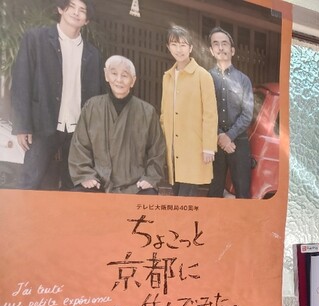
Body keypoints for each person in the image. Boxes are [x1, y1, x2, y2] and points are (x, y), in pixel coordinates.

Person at [10, 0, 103, 191]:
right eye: (71, 6)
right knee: (31, 181)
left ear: (87, 20)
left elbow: (98, 96)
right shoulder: (36, 39)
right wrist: (22, 125)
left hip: (77, 130)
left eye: (82, 10)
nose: (76, 12)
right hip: (42, 124)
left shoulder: (93, 54)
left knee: (74, 185)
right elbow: (21, 81)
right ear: (61, 8)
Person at [68, 55, 165, 194]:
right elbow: (80, 146)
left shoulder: (147, 112)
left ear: (133, 81)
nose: (119, 80)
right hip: (98, 183)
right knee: (76, 198)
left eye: (124, 75)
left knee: (149, 199)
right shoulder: (92, 107)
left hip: (135, 185)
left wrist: (150, 178)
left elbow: (157, 151)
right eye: (114, 73)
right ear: (106, 75)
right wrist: (85, 175)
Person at [160, 25, 217, 197]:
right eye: (174, 44)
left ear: (191, 48)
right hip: (173, 146)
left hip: (194, 147)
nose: (179, 49)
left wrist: (209, 147)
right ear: (168, 47)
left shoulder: (203, 76)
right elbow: (164, 113)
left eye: (183, 45)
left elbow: (210, 114)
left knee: (186, 197)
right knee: (176, 191)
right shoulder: (167, 77)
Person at [207, 27, 254, 199]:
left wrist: (229, 136)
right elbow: (204, 112)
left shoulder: (243, 80)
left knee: (242, 192)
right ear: (211, 50)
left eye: (224, 43)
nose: (221, 47)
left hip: (238, 141)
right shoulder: (206, 78)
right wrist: (220, 135)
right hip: (213, 141)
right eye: (216, 44)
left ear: (232, 50)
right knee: (214, 191)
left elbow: (247, 114)